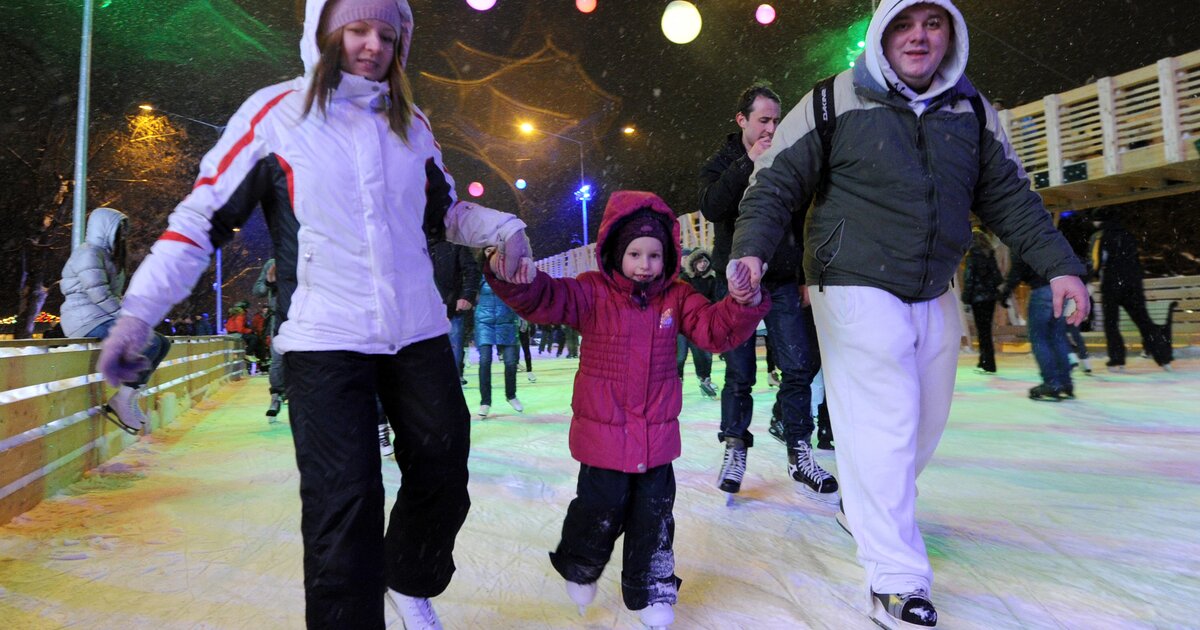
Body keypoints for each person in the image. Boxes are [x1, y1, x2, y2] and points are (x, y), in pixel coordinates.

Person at [94, 1, 534, 626]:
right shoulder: (277, 116)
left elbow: (445, 213)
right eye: (357, 29)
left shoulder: (411, 123)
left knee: (442, 468)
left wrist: (505, 228)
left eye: (388, 34)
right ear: (324, 33)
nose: (372, 45)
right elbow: (200, 223)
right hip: (326, 338)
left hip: (417, 332)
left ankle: (409, 578)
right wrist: (139, 312)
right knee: (343, 505)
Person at [727, 1, 1090, 627]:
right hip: (852, 279)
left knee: (923, 418)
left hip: (932, 282)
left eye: (932, 23)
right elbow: (775, 182)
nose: (918, 37)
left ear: (951, 31)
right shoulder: (832, 101)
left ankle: (866, 507)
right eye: (903, 24)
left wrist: (1060, 265)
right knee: (885, 417)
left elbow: (1009, 195)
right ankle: (895, 577)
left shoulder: (970, 110)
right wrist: (752, 253)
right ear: (881, 33)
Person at [484, 190, 769, 629]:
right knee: (598, 509)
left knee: (654, 519)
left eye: (655, 254)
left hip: (656, 440)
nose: (644, 264)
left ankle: (651, 589)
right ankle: (580, 567)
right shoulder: (590, 293)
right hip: (603, 439)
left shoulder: (677, 297)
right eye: (635, 253)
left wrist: (741, 303)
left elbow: (714, 331)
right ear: (616, 253)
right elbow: (545, 299)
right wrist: (516, 280)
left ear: (668, 257)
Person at [699, 83, 835, 501]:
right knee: (739, 373)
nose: (771, 128)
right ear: (742, 120)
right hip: (736, 283)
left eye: (776, 120)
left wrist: (803, 275)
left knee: (798, 365)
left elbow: (801, 220)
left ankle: (799, 450)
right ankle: (735, 448)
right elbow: (711, 207)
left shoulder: (788, 154)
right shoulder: (722, 162)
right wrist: (748, 163)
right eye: (764, 120)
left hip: (781, 279)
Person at [59, 207, 171, 435]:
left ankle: (128, 398)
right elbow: (98, 293)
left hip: (101, 316)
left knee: (163, 342)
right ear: (105, 230)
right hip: (85, 319)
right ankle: (122, 399)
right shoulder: (88, 253)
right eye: (118, 230)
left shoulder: (108, 256)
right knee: (148, 342)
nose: (122, 236)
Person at [1088, 212, 1173, 370]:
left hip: (1112, 284)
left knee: (1111, 324)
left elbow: (1096, 263)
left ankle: (1117, 359)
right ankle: (1163, 358)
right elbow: (1134, 260)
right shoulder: (1128, 235)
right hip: (1133, 284)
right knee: (1143, 321)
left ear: (1098, 222)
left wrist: (1091, 275)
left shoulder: (1100, 236)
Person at [1002, 252, 1076, 400]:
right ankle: (1065, 382)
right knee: (1058, 337)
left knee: (1039, 339)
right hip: (1061, 288)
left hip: (1042, 290)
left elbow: (1018, 269)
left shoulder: (1023, 238)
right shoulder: (1050, 236)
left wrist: (1005, 292)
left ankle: (1052, 383)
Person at [474, 263, 523, 417]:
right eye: (488, 252)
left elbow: (520, 295)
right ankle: (485, 402)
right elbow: (470, 292)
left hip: (506, 321)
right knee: (485, 361)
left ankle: (511, 395)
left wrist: (522, 315)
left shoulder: (510, 274)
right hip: (484, 322)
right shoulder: (478, 274)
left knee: (510, 362)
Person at [428, 239, 479, 386]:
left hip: (452, 310)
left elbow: (471, 270)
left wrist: (466, 296)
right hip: (423, 313)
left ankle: (452, 386)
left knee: (454, 355)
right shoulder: (414, 239)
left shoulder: (454, 241)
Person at [676, 248, 718, 398]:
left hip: (701, 324)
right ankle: (676, 382)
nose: (702, 264)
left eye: (705, 261)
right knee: (679, 355)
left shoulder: (711, 280)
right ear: (693, 262)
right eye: (700, 261)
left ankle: (705, 380)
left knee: (704, 354)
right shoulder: (684, 278)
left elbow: (715, 301)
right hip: (682, 324)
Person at [961, 226, 1005, 373]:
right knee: (986, 331)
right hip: (990, 298)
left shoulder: (972, 256)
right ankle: (984, 361)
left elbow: (969, 279)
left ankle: (988, 363)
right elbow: (997, 277)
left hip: (977, 299)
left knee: (982, 332)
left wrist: (966, 299)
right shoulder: (990, 255)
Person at [254, 259, 287, 419]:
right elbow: (257, 290)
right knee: (277, 359)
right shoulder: (272, 263)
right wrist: (268, 281)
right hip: (278, 316)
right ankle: (276, 396)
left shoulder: (307, 255)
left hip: (304, 316)